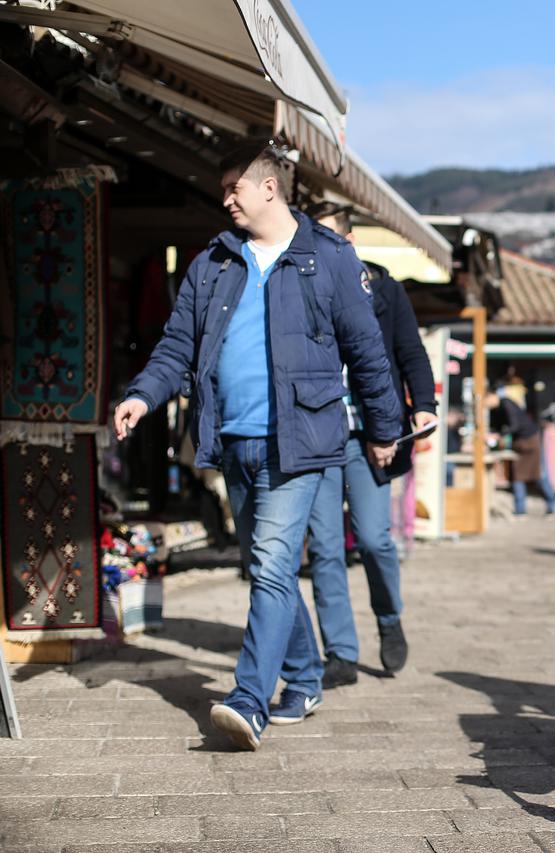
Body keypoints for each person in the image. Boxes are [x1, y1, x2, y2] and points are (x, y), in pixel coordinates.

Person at [113, 144, 402, 750]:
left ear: (269, 187)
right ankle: (305, 678)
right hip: (231, 441)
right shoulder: (213, 263)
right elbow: (176, 346)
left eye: (233, 187)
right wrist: (142, 395)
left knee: (271, 567)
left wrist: (383, 432)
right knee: (266, 568)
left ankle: (249, 699)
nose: (225, 199)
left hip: (300, 443)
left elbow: (368, 354)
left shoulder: (330, 258)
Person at [305, 211, 438, 689]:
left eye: (330, 235)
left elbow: (411, 352)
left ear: (349, 238)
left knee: (373, 539)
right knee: (324, 547)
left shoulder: (384, 289)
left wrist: (423, 406)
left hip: (371, 436)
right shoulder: (300, 290)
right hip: (317, 435)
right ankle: (340, 652)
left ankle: (388, 616)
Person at [486, 390, 555, 516]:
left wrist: (498, 435)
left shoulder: (506, 404)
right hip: (518, 444)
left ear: (491, 396)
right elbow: (497, 426)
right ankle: (520, 510)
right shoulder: (496, 410)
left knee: (538, 475)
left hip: (530, 441)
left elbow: (515, 425)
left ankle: (551, 504)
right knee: (517, 477)